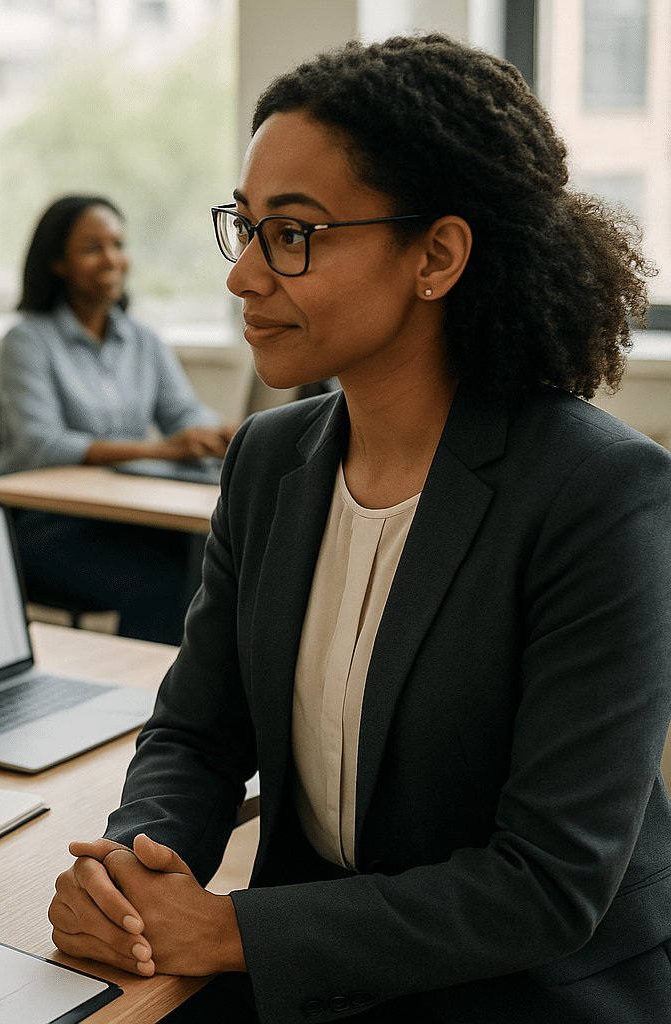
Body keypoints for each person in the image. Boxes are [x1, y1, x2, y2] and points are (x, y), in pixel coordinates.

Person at [48, 35, 671, 1022]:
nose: (244, 276)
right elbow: (197, 731)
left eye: (292, 234)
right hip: (314, 973)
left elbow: (548, 883)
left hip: (522, 994)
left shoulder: (602, 495)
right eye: (244, 228)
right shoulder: (268, 461)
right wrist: (137, 864)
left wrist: (228, 930)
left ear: (437, 255)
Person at [0, 194, 235, 644]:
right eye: (92, 248)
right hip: (45, 524)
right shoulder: (26, 340)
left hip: (122, 515)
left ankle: (192, 700)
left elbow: (182, 411)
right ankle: (151, 703)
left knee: (212, 560)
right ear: (57, 263)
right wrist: (157, 450)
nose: (112, 259)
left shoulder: (142, 339)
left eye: (118, 244)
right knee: (158, 583)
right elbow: (40, 444)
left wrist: (222, 432)